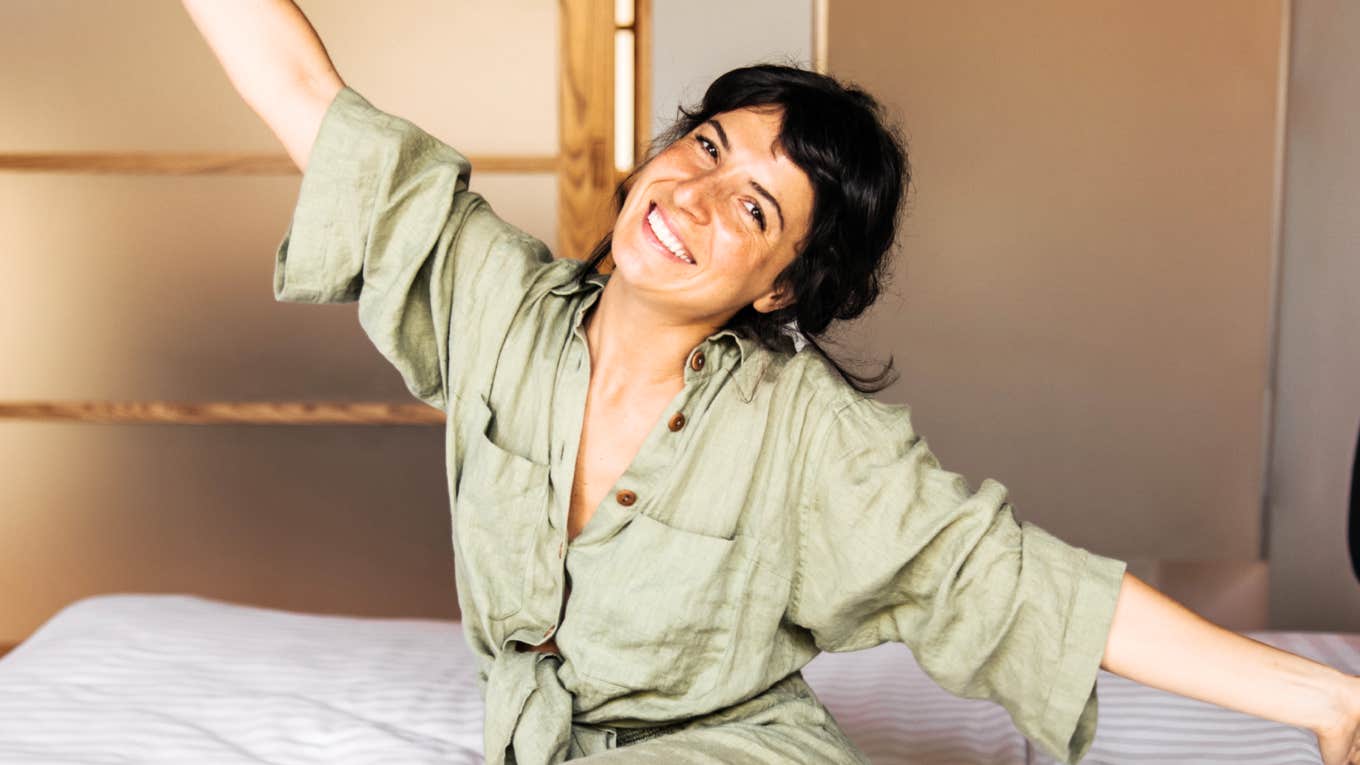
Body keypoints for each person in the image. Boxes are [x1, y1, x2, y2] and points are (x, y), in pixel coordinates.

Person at [182, 2, 1360, 763]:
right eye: (704, 148)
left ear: (779, 290)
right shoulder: (496, 308)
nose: (691, 199)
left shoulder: (807, 435)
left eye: (751, 207)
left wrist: (1322, 701)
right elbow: (301, 92)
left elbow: (1019, 584)